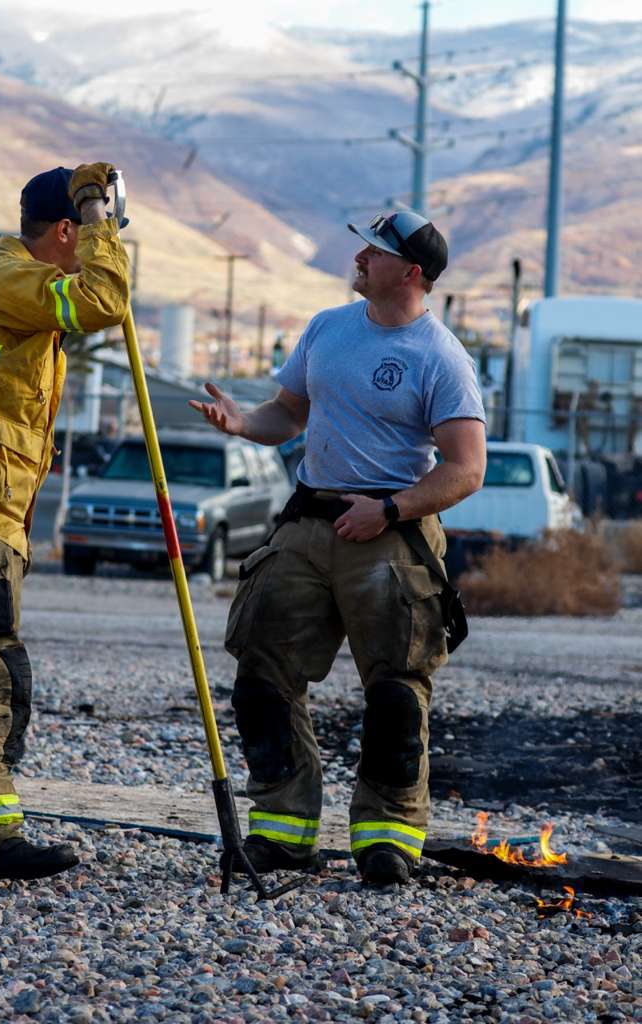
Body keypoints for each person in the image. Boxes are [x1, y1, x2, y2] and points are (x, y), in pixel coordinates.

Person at [190, 210, 487, 886]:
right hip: (308, 520)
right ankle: (283, 829)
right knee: (262, 667)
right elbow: (287, 413)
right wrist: (242, 422)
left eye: (375, 250)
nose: (359, 256)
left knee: (394, 692)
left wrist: (389, 510)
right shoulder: (327, 328)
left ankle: (387, 838)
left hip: (387, 530)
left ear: (410, 273)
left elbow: (466, 468)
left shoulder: (439, 356)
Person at [0, 163, 130, 889]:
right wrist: (103, 223)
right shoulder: (5, 278)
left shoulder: (13, 287)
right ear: (66, 230)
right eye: (88, 231)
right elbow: (104, 300)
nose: (96, 242)